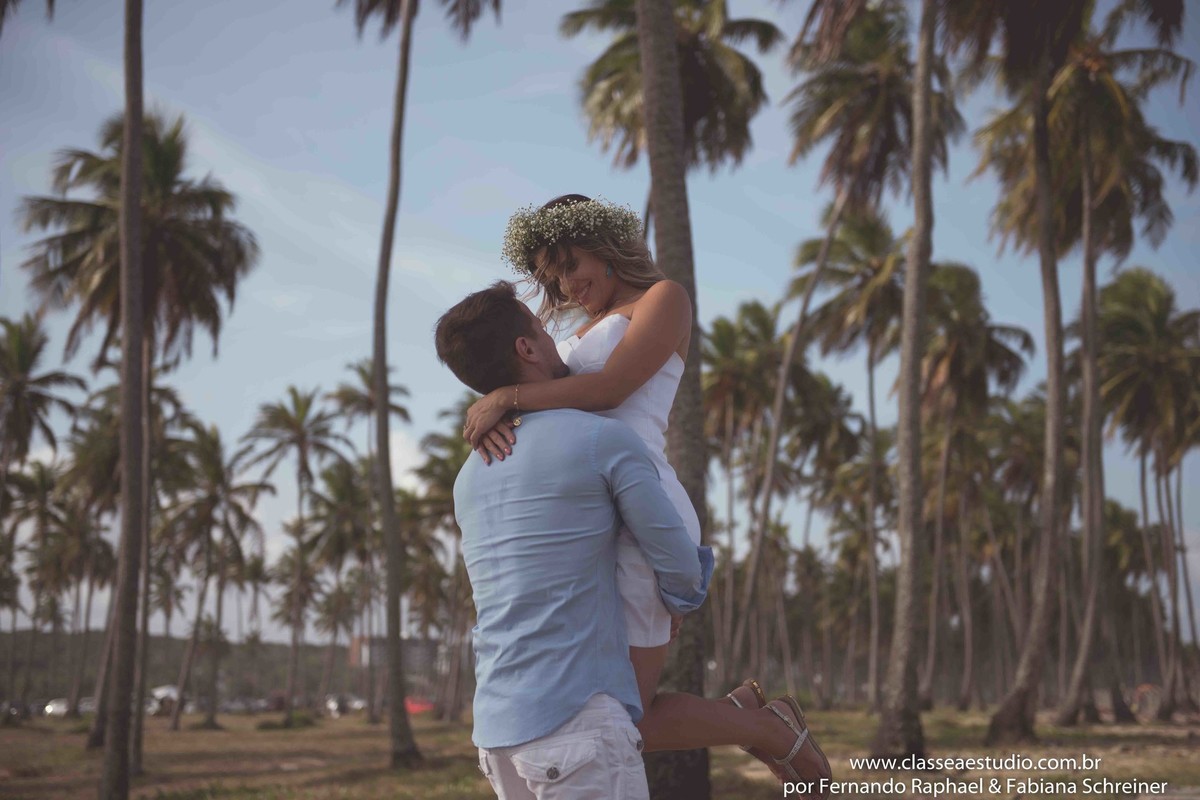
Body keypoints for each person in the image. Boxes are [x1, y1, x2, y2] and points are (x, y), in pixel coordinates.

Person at [442, 278, 831, 797]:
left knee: (638, 720)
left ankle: (751, 720)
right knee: (634, 721)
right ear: (526, 348)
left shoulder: (468, 476)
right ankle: (760, 725)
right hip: (577, 722)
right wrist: (676, 601)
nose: (558, 336)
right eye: (541, 327)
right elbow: (681, 567)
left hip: (495, 734)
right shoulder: (600, 440)